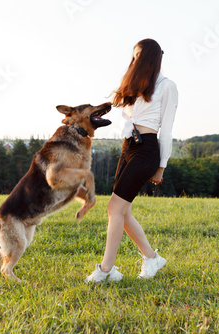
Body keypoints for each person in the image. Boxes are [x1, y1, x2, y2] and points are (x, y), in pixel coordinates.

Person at [86, 38, 179, 283]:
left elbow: (166, 130)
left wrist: (161, 166)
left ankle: (106, 270)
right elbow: (126, 110)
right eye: (133, 55)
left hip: (147, 150)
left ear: (150, 56)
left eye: (138, 55)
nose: (134, 59)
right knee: (122, 211)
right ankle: (152, 258)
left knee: (114, 208)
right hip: (128, 145)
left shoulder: (167, 86)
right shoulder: (139, 85)